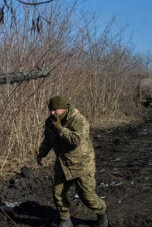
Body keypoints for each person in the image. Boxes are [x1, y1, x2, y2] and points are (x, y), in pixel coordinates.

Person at [37, 96, 108, 227]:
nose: (52, 113)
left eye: (55, 110)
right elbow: (48, 139)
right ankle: (65, 220)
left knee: (87, 197)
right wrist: (42, 154)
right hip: (63, 163)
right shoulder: (51, 122)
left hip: (82, 164)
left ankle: (102, 212)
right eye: (50, 110)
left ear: (63, 109)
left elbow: (76, 140)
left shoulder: (78, 120)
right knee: (58, 194)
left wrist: (60, 129)